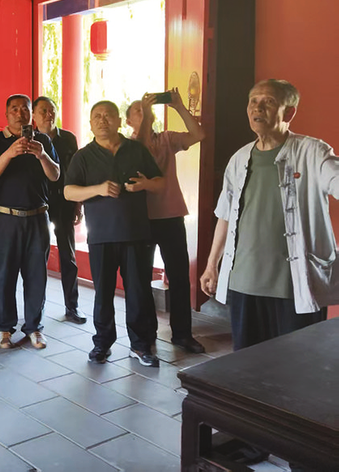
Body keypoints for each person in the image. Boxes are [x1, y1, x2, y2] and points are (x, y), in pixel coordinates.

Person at [201, 79, 338, 350]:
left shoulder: (312, 152)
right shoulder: (239, 159)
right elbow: (225, 215)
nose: (258, 108)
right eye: (254, 101)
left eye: (269, 102)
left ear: (289, 112)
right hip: (244, 283)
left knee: (296, 364)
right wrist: (211, 264)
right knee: (246, 363)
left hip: (294, 285)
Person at [65, 100, 164, 367]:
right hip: (101, 236)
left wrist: (144, 184)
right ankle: (102, 343)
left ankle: (140, 346)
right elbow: (68, 192)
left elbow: (160, 183)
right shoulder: (84, 156)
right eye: (97, 116)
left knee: (138, 293)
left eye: (108, 115)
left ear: (119, 121)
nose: (102, 120)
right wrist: (97, 189)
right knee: (103, 293)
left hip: (136, 234)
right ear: (90, 123)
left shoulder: (136, 150)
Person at [125, 89, 206, 353]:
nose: (145, 113)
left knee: (180, 277)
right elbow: (141, 150)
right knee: (140, 279)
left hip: (171, 215)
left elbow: (199, 134)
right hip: (140, 219)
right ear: (128, 122)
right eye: (138, 111)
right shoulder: (127, 146)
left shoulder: (167, 139)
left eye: (146, 110)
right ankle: (146, 333)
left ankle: (182, 334)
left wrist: (179, 106)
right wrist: (148, 115)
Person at [0, 94, 60, 350]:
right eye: (14, 109)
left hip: (38, 218)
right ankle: (4, 328)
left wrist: (42, 155)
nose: (19, 113)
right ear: (6, 114)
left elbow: (55, 175)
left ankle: (34, 327)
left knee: (37, 275)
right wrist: (9, 153)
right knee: (4, 275)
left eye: (24, 109)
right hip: (5, 219)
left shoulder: (43, 140)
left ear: (31, 114)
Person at [32, 96, 86, 324]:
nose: (48, 115)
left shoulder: (69, 139)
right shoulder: (30, 140)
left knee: (68, 256)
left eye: (52, 110)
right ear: (34, 116)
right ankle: (35, 311)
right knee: (37, 257)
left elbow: (77, 173)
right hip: (39, 204)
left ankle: (72, 306)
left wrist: (78, 204)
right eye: (43, 111)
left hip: (64, 202)